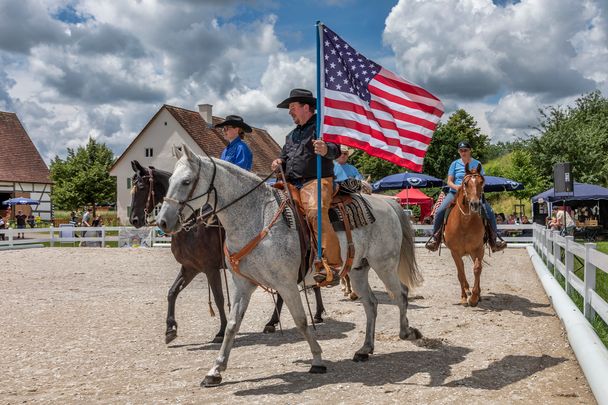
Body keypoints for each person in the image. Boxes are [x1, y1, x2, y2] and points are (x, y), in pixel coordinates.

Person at [271, 88, 341, 285]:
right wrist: (278, 162)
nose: (289, 112)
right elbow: (284, 157)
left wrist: (327, 149)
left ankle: (332, 265)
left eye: (292, 107)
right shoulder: (290, 136)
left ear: (306, 107)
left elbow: (337, 149)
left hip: (317, 181)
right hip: (292, 184)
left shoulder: (323, 126)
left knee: (315, 211)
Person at [425, 141, 506, 252]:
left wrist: (477, 189)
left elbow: (483, 180)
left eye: (465, 150)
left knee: (489, 212)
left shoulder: (477, 164)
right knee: (439, 211)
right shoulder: (454, 164)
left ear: (470, 150)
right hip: (455, 192)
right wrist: (457, 187)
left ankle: (494, 241)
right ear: (459, 152)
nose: (463, 152)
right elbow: (449, 181)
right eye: (461, 150)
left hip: (474, 193)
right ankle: (435, 239)